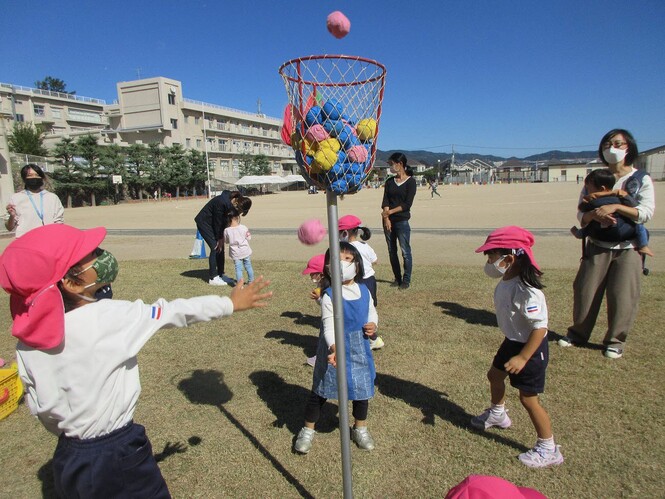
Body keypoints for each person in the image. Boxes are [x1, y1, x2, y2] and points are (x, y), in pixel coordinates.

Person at [0, 224, 272, 498]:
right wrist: (229, 304)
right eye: (92, 253)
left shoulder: (27, 342)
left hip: (69, 455)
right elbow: (173, 311)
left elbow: (40, 407)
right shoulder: (112, 317)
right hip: (117, 450)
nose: (102, 255)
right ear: (71, 283)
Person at [559, 129, 655, 359]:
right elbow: (581, 210)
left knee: (623, 295)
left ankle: (615, 340)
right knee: (585, 291)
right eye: (607, 144)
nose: (611, 148)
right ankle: (578, 333)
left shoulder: (640, 179)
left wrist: (616, 207)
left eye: (617, 143)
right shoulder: (596, 178)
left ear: (628, 147)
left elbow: (645, 213)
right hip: (597, 244)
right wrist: (593, 217)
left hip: (628, 247)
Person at [472, 226, 563, 468]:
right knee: (494, 375)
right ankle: (498, 413)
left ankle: (548, 448)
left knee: (528, 399)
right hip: (512, 342)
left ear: (509, 259)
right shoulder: (508, 278)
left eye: (491, 257)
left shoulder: (526, 290)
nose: (489, 262)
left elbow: (540, 328)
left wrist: (523, 357)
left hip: (530, 349)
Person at [294, 242, 378, 454]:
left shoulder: (364, 290)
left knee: (361, 389)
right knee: (321, 389)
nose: (343, 264)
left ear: (357, 264)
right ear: (328, 267)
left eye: (348, 259)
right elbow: (328, 324)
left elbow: (372, 312)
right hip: (333, 349)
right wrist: (333, 347)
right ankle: (308, 430)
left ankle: (360, 428)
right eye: (337, 260)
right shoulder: (329, 295)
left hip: (359, 346)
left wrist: (373, 324)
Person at [570, 168, 653, 257]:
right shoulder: (619, 197)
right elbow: (634, 205)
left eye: (588, 188)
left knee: (589, 227)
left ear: (602, 188)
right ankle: (643, 245)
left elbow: (582, 209)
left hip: (600, 234)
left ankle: (579, 234)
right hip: (624, 230)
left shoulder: (593, 199)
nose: (587, 190)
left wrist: (589, 206)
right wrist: (623, 196)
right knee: (639, 226)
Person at [338, 214, 384, 350]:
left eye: (339, 232)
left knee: (361, 310)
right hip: (370, 280)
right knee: (368, 309)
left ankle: (373, 338)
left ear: (345, 232)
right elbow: (375, 260)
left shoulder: (345, 249)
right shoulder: (364, 245)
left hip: (359, 281)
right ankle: (372, 336)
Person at [194, 190, 252, 286]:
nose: (239, 213)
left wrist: (223, 237)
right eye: (240, 211)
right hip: (204, 222)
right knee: (215, 247)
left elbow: (224, 221)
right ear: (237, 203)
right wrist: (220, 237)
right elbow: (218, 222)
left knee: (221, 247)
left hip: (213, 223)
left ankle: (220, 274)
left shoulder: (234, 200)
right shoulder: (222, 202)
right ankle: (213, 277)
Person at [381, 152, 417, 289]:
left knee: (405, 251)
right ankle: (397, 278)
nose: (390, 167)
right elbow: (385, 200)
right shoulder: (390, 182)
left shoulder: (411, 182)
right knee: (392, 250)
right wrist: (386, 218)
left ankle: (406, 280)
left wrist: (389, 212)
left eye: (391, 164)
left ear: (400, 164)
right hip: (388, 220)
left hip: (402, 221)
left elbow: (407, 204)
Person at [5, 164, 64, 238]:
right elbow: (9, 227)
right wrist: (12, 216)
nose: (34, 177)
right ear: (24, 178)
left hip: (49, 240)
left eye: (37, 175)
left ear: (41, 177)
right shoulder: (15, 198)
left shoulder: (52, 198)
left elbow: (59, 222)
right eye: (30, 175)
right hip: (25, 241)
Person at [301, 254, 327, 367]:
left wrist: (319, 298)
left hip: (331, 318)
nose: (310, 275)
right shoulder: (322, 284)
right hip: (327, 317)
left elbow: (329, 306)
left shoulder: (328, 287)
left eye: (312, 273)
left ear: (322, 273)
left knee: (326, 337)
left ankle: (322, 357)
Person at [223, 207, 254, 285]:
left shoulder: (227, 230)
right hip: (245, 250)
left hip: (235, 252)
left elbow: (226, 241)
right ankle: (251, 281)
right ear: (237, 217)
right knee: (248, 266)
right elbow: (249, 237)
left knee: (238, 269)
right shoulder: (243, 227)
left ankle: (240, 284)